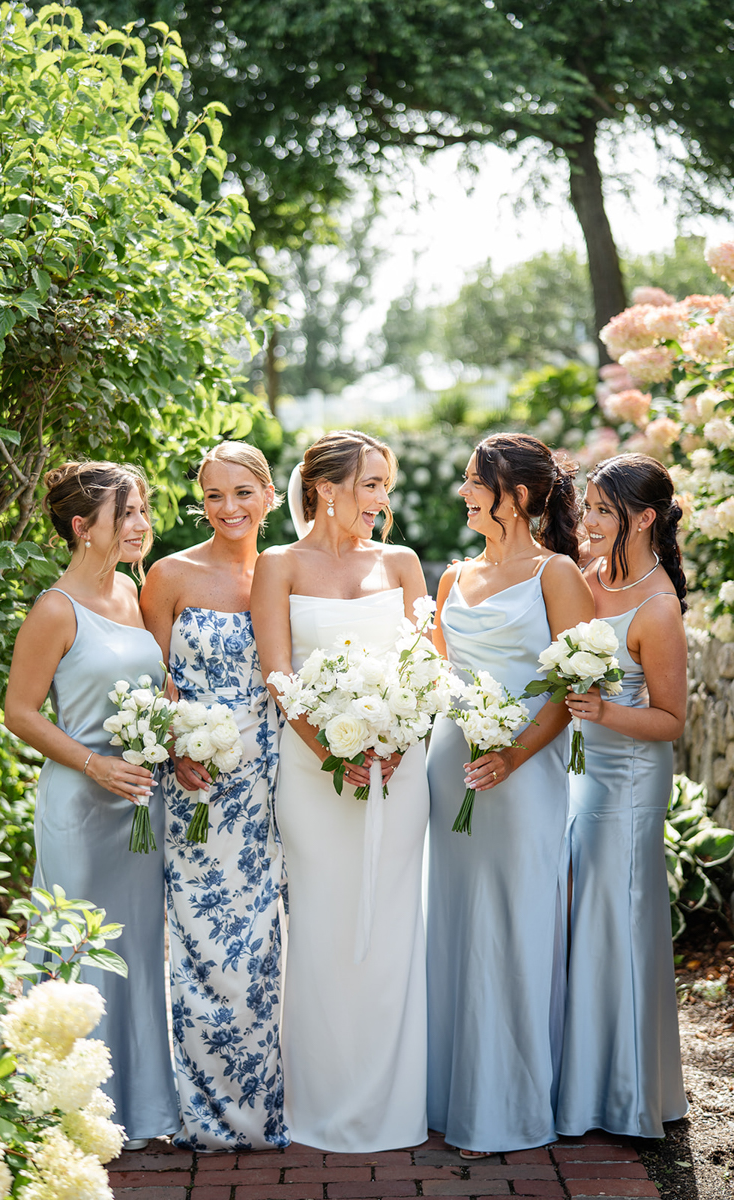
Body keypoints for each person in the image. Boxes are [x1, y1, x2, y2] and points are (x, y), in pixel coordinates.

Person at [251, 429, 429, 1153]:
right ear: (325, 489)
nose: (382, 500)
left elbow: (429, 658)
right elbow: (279, 673)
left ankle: (394, 1106)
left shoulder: (404, 562)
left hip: (400, 767)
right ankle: (320, 1103)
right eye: (371, 484)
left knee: (390, 932)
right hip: (313, 771)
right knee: (322, 931)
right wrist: (333, 749)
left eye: (385, 485)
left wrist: (396, 733)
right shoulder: (278, 564)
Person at [426, 432, 594, 1157]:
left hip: (524, 773)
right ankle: (450, 1093)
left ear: (518, 497)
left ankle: (509, 1106)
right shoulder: (452, 576)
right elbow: (434, 670)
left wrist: (515, 754)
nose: (463, 492)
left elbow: (576, 684)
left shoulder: (558, 574)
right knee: (455, 925)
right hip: (449, 768)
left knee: (516, 925)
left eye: (474, 482)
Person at [4, 461, 178, 1149]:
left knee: (135, 952)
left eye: (142, 511)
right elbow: (19, 712)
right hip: (81, 806)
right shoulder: (55, 608)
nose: (141, 525)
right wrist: (93, 760)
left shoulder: (134, 595)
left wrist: (179, 735)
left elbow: (155, 686)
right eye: (127, 514)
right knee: (77, 952)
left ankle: (136, 1113)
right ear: (83, 528)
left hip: (140, 805)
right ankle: (64, 1114)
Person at [140, 442, 288, 1152]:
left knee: (261, 943)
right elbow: (149, 679)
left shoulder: (285, 572)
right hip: (194, 784)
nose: (228, 508)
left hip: (270, 781)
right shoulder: (169, 574)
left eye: (241, 493)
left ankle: (266, 1110)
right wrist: (176, 743)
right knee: (201, 943)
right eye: (212, 495)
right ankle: (204, 1116)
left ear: (269, 496)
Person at [557, 453, 688, 1138]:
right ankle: (584, 1081)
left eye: (604, 509)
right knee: (582, 918)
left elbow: (672, 721)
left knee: (620, 920)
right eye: (588, 507)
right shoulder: (587, 577)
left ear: (642, 517)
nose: (590, 520)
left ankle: (631, 1095)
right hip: (579, 774)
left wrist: (603, 712)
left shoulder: (658, 606)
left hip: (631, 782)